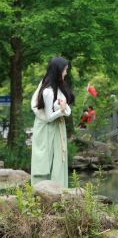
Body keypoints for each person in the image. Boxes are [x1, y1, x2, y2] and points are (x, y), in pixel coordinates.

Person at [30, 56, 74, 188]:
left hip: (57, 127)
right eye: (65, 70)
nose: (66, 73)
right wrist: (61, 110)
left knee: (58, 161)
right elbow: (48, 117)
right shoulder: (48, 91)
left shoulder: (58, 87)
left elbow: (66, 109)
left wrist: (63, 107)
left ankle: (59, 190)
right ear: (58, 70)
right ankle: (43, 193)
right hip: (46, 127)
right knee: (45, 159)